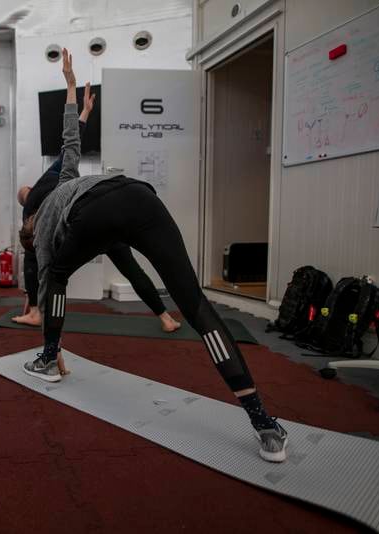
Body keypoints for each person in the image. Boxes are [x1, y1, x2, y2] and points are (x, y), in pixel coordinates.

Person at [20, 49, 288, 463]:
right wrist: (72, 88)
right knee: (196, 305)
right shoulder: (66, 181)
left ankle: (46, 360)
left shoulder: (40, 234)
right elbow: (71, 139)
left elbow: (46, 285)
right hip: (138, 196)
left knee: (57, 275)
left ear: (30, 229)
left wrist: (51, 343)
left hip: (95, 214)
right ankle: (263, 422)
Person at [13, 85, 181, 333]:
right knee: (132, 270)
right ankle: (166, 317)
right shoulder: (52, 183)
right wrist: (82, 107)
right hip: (101, 217)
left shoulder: (31, 216)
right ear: (28, 189)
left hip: (85, 231)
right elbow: (71, 141)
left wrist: (34, 301)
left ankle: (39, 318)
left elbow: (39, 264)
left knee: (52, 273)